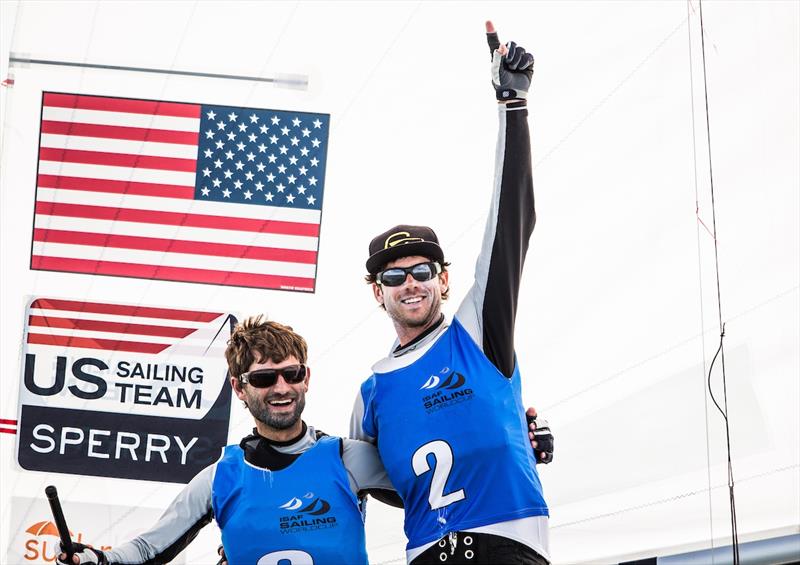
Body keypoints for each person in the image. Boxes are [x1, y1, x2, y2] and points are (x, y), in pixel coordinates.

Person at [350, 21, 551, 564]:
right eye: (393, 276)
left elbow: (511, 222)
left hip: (509, 546)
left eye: (421, 270)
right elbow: (378, 481)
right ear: (378, 293)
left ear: (444, 279)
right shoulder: (371, 392)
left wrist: (513, 103)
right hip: (426, 554)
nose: (409, 283)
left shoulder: (476, 329)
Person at [58, 316, 395, 565]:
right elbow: (149, 548)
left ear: (305, 378)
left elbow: (438, 500)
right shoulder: (220, 478)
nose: (281, 388)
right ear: (239, 388)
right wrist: (97, 559)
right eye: (264, 378)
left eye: (291, 374)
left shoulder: (348, 458)